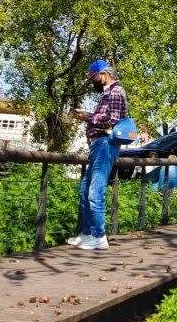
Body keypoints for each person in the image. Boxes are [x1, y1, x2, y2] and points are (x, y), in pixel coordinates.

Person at [68, 60, 128, 250]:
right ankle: (87, 233)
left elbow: (113, 119)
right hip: (97, 144)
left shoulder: (116, 92)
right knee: (84, 190)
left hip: (105, 143)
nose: (93, 82)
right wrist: (89, 115)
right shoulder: (107, 94)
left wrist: (88, 116)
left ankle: (98, 236)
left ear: (104, 74)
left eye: (94, 78)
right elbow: (105, 117)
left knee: (95, 191)